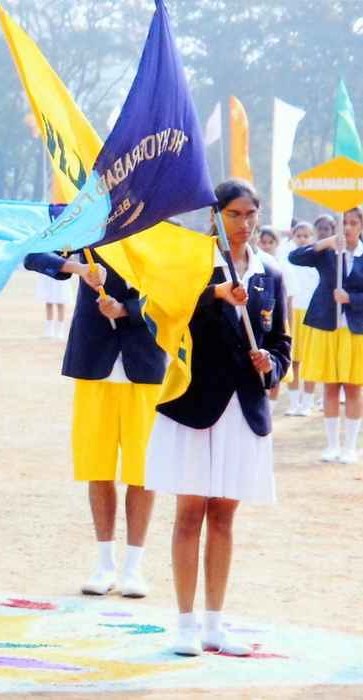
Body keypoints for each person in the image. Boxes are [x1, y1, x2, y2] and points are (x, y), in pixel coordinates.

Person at [147, 180, 290, 657]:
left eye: (251, 214)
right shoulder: (194, 263)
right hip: (194, 406)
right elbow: (165, 312)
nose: (244, 223)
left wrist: (271, 364)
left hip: (244, 410)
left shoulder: (271, 273)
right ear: (216, 216)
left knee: (224, 517)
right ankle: (184, 623)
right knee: (189, 514)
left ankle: (214, 623)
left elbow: (282, 343)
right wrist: (216, 295)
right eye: (234, 214)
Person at [24, 248, 162, 599]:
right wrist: (79, 268)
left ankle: (133, 567)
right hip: (94, 362)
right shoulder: (85, 231)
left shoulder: (159, 230)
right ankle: (105, 564)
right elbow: (34, 256)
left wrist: (127, 310)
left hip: (146, 363)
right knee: (97, 468)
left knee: (142, 472)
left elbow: (173, 293)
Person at [289, 206, 363, 462]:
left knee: (353, 388)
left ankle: (350, 447)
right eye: (344, 223)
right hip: (326, 326)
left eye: (353, 223)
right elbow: (295, 257)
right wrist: (325, 243)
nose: (348, 228)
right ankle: (332, 446)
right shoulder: (328, 252)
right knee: (330, 387)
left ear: (361, 226)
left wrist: (351, 299)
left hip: (355, 330)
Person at [283, 222, 319, 416]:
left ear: (313, 237)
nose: (303, 239)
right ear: (293, 237)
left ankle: (307, 403)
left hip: (312, 314)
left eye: (307, 236)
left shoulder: (318, 258)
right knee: (293, 360)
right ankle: (294, 403)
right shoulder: (287, 258)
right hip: (294, 312)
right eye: (299, 236)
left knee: (310, 361)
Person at [35, 263, 72, 339]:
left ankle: (60, 331)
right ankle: (49, 331)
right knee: (48, 301)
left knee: (60, 302)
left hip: (61, 272)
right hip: (48, 273)